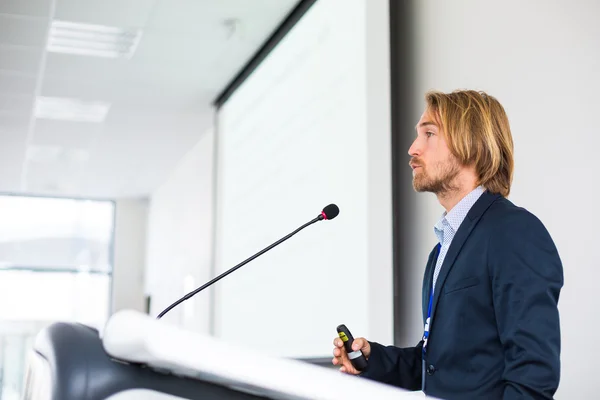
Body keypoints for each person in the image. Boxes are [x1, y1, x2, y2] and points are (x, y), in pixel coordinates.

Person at [332, 90, 563, 399]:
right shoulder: (441, 250)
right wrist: (372, 359)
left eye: (429, 133)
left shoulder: (514, 232)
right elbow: (436, 364)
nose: (413, 148)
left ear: (469, 143)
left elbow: (533, 374)